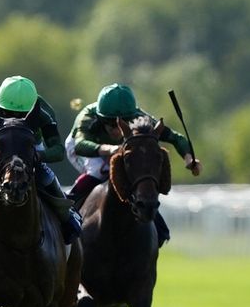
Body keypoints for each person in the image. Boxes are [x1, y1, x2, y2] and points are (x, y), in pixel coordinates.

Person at [0, 75, 81, 247]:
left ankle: (68, 219)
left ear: (32, 111)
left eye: (23, 116)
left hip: (30, 150)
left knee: (46, 178)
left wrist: (38, 156)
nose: (14, 121)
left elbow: (58, 150)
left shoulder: (42, 111)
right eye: (8, 114)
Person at [65, 83, 202, 245]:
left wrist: (188, 158)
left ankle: (152, 219)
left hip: (120, 150)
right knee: (99, 170)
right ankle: (68, 206)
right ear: (101, 118)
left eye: (122, 122)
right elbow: (81, 145)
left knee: (133, 175)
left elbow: (175, 137)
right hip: (84, 149)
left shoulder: (138, 116)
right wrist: (110, 149)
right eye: (110, 123)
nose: (117, 129)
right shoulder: (88, 116)